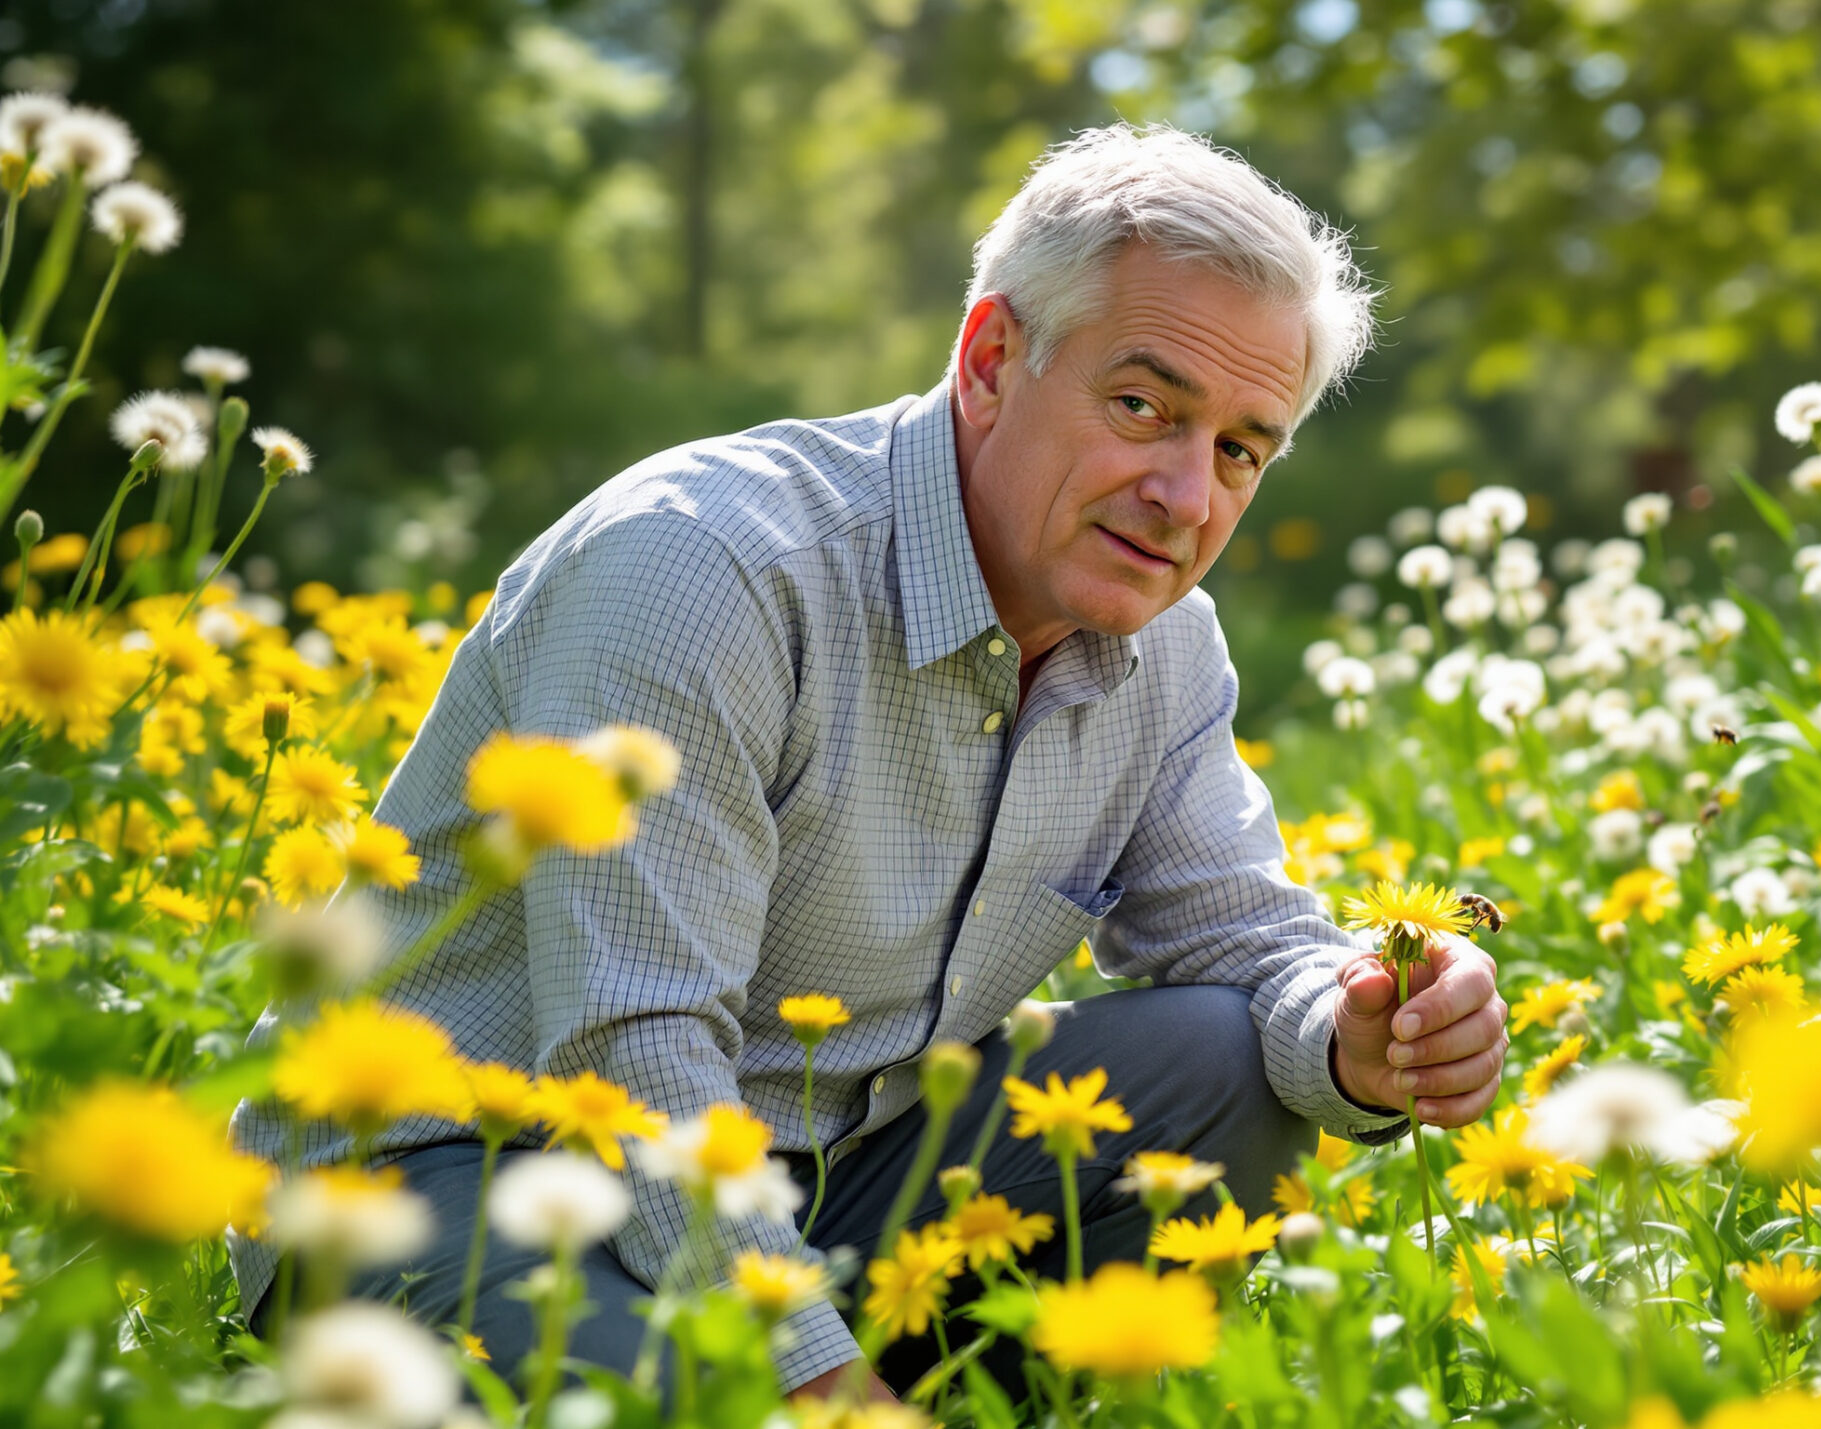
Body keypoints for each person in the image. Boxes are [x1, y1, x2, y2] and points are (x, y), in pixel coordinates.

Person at [228, 123, 1509, 1403]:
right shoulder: (704, 569)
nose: (1186, 496)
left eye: (1239, 448)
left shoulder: (1162, 641)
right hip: (462, 1165)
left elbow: (1246, 945)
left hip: (841, 1167)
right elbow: (633, 1055)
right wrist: (818, 1386)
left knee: (1235, 1066)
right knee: (690, 1400)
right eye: (1142, 407)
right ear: (993, 358)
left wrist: (1361, 1034)